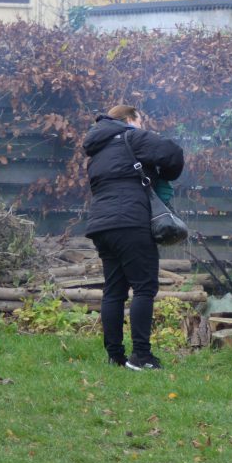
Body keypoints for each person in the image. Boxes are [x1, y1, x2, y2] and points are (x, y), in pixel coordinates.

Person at [83, 105, 184, 370]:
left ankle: (115, 356)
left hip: (102, 226)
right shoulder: (132, 136)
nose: (142, 125)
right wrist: (165, 173)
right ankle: (141, 356)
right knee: (144, 287)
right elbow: (173, 153)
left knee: (114, 290)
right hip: (131, 222)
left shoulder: (96, 152)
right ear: (129, 120)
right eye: (141, 120)